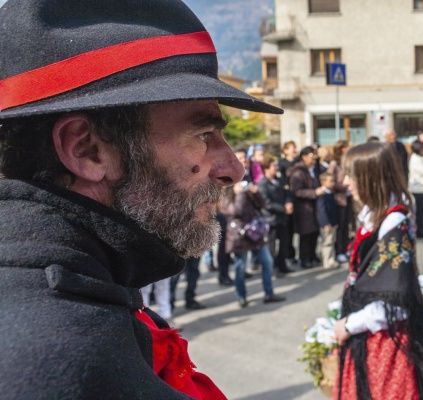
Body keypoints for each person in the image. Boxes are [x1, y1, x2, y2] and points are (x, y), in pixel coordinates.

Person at [0, 0, 284, 397]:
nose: (232, 168)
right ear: (87, 150)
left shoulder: (77, 292)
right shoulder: (57, 364)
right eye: (204, 135)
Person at [332, 142, 423, 400]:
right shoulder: (372, 215)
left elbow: (395, 300)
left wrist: (350, 324)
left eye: (351, 175)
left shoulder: (394, 222)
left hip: (384, 341)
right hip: (367, 335)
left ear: (370, 177)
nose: (346, 182)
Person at [222, 181, 286, 308]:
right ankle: (241, 296)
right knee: (240, 268)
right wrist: (239, 194)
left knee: (267, 262)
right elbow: (236, 211)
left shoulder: (247, 191)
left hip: (254, 233)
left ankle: (269, 293)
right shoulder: (227, 191)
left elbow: (262, 205)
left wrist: (255, 193)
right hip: (239, 235)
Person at [289, 146, 327, 268]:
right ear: (304, 157)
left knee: (314, 233)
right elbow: (297, 191)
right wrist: (314, 193)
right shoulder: (298, 172)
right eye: (312, 156)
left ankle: (312, 255)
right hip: (303, 208)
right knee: (305, 235)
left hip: (314, 207)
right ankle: (304, 258)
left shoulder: (314, 169)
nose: (314, 158)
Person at [258, 155, 294, 275]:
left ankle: (282, 265)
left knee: (283, 244)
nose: (276, 167)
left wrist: (289, 202)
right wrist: (283, 208)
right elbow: (266, 204)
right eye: (274, 165)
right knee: (271, 247)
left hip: (282, 219)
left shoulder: (280, 180)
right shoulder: (262, 184)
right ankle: (272, 268)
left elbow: (287, 193)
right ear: (267, 168)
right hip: (271, 219)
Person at [333, 140, 353, 263]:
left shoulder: (348, 162)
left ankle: (346, 249)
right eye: (346, 147)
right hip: (339, 199)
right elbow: (330, 182)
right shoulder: (335, 164)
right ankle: (339, 250)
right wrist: (343, 186)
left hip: (348, 197)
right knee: (340, 227)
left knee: (347, 226)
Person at [316, 173, 339, 269]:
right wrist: (325, 223)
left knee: (332, 241)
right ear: (323, 182)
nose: (333, 183)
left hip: (333, 221)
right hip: (327, 223)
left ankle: (331, 258)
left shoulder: (331, 193)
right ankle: (327, 261)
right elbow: (321, 210)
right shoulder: (322, 194)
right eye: (330, 181)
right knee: (327, 242)